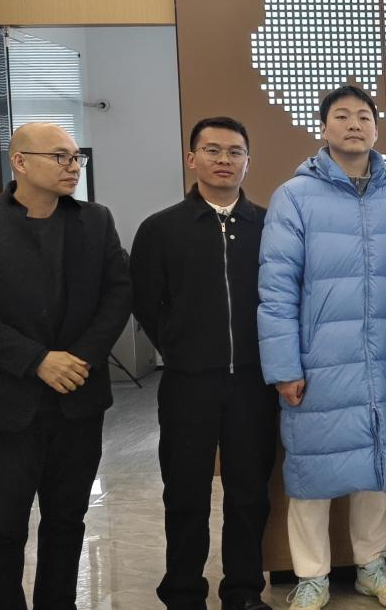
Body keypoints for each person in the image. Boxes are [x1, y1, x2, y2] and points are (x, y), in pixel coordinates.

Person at [258, 85, 386, 610]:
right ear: (323, 127)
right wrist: (284, 366)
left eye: (363, 116)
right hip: (318, 361)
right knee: (311, 469)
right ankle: (311, 576)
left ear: (376, 128)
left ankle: (373, 566)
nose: (354, 124)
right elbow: (276, 288)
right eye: (342, 116)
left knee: (375, 465)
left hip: (381, 361)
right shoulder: (294, 196)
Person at [0, 123, 132, 609]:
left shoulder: (95, 220)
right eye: (60, 157)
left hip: (78, 400)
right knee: (3, 526)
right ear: (19, 161)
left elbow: (118, 293)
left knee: (67, 521)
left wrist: (79, 359)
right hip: (5, 406)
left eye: (76, 157)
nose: (73, 166)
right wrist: (37, 360)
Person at [131, 116, 277, 610]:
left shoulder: (268, 226)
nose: (224, 160)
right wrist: (179, 346)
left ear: (248, 161)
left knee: (249, 493)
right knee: (185, 493)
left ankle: (243, 590)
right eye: (212, 150)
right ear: (192, 158)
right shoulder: (161, 228)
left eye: (235, 151)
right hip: (188, 384)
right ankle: (183, 591)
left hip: (254, 384)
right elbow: (146, 302)